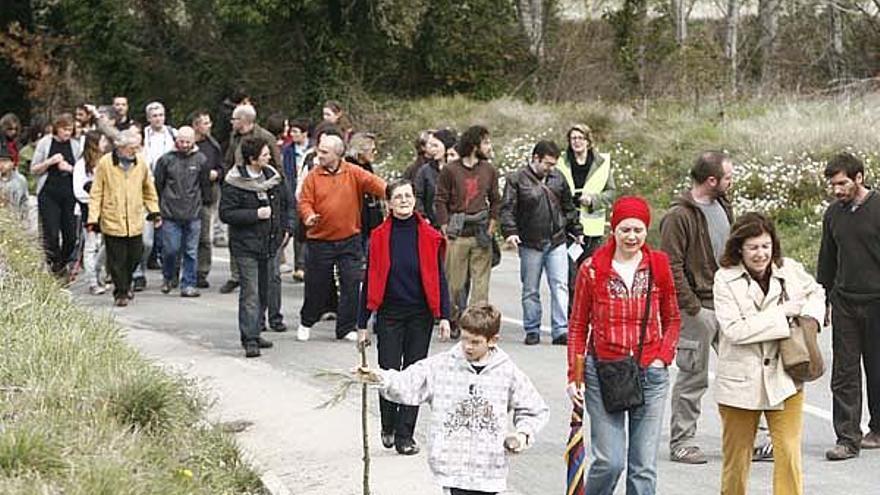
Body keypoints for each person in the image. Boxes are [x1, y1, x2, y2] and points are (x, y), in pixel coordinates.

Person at [354, 303, 549, 495]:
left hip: (489, 469)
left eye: (475, 342)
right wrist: (379, 378)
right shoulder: (441, 366)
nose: (468, 347)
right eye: (464, 339)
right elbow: (408, 382)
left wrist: (522, 435)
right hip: (452, 466)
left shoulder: (507, 372)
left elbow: (534, 408)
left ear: (492, 340)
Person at [567, 196, 681, 495]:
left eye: (638, 230)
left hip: (650, 374)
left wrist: (662, 358)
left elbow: (672, 319)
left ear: (646, 231)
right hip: (603, 371)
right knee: (610, 461)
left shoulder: (658, 265)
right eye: (625, 230)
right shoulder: (591, 270)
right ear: (613, 230)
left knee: (643, 467)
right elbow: (578, 326)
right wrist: (574, 376)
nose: (632, 237)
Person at [713, 212, 824, 494]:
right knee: (737, 461)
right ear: (739, 248)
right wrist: (783, 315)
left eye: (765, 246)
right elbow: (735, 330)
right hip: (740, 381)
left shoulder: (790, 269)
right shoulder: (724, 280)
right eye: (753, 247)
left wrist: (809, 320)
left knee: (788, 453)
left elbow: (817, 292)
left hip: (786, 375)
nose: (761, 254)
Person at [357, 179, 452, 456]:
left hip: (419, 315)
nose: (403, 200)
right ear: (389, 203)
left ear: (414, 200)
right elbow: (369, 279)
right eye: (398, 196)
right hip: (389, 314)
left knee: (415, 375)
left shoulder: (430, 236)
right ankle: (388, 422)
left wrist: (444, 316)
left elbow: (440, 279)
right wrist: (362, 324)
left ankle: (405, 435)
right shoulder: (378, 236)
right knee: (388, 371)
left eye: (408, 196)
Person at [661, 151, 735, 464]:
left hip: (728, 302)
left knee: (742, 370)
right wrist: (692, 308)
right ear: (711, 180)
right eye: (728, 176)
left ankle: (752, 440)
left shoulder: (723, 205)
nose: (732, 181)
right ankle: (682, 440)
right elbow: (670, 265)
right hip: (697, 308)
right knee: (693, 375)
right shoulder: (679, 216)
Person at [817, 152, 880, 460]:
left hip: (878, 301)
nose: (837, 190)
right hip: (845, 301)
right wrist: (824, 299)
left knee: (878, 369)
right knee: (844, 372)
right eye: (833, 184)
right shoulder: (833, 214)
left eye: (842, 183)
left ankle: (878, 428)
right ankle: (847, 439)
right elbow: (827, 260)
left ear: (859, 178)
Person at [296, 133, 386, 342]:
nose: (319, 155)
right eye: (319, 150)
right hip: (320, 240)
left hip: (349, 238)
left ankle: (345, 327)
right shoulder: (313, 177)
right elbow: (304, 201)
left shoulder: (353, 172)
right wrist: (308, 216)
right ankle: (307, 320)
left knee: (352, 282)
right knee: (316, 284)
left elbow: (377, 184)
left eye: (324, 152)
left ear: (338, 154)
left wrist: (398, 194)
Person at [501, 140, 582, 346]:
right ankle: (532, 329)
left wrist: (576, 230)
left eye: (553, 164)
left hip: (557, 240)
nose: (550, 168)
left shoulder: (558, 178)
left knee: (560, 286)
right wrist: (510, 231)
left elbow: (568, 207)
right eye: (547, 163)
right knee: (530, 288)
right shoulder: (517, 179)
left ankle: (560, 329)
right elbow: (508, 208)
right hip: (530, 241)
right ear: (535, 159)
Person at [219, 136, 292, 357]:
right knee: (250, 292)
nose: (269, 157)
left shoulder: (273, 177)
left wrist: (286, 227)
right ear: (252, 159)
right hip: (245, 246)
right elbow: (226, 213)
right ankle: (249, 338)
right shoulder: (234, 181)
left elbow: (286, 204)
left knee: (264, 290)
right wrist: (254, 215)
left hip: (270, 244)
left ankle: (257, 329)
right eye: (265, 154)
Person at [434, 125, 500, 338]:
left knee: (481, 287)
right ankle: (454, 320)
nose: (489, 147)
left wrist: (492, 225)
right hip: (458, 234)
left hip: (481, 233)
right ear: (474, 146)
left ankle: (477, 327)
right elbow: (440, 199)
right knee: (454, 285)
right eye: (486, 142)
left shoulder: (489, 170)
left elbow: (496, 200)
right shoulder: (450, 170)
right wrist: (445, 227)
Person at [86, 129, 160, 307]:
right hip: (112, 218)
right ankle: (121, 292)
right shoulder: (105, 163)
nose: (135, 151)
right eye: (132, 148)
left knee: (135, 255)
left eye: (137, 147)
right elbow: (96, 192)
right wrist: (93, 219)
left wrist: (155, 211)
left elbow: (148, 189)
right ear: (120, 147)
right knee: (116, 259)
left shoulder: (140, 163)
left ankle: (126, 284)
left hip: (134, 219)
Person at [219, 103, 281, 294]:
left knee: (256, 232)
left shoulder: (264, 137)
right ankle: (236, 274)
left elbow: (276, 164)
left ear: (244, 120)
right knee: (236, 233)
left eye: (235, 119)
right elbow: (229, 159)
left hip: (260, 187)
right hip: (238, 185)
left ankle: (254, 279)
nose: (232, 122)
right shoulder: (235, 136)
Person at [153, 126, 212, 297]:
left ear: (193, 141)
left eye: (188, 142)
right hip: (170, 213)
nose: (184, 145)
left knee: (191, 251)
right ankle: (168, 276)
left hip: (193, 213)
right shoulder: (165, 160)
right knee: (171, 249)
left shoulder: (201, 160)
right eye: (181, 141)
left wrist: (204, 207)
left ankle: (188, 284)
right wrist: (157, 210)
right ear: (176, 141)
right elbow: (158, 185)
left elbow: (205, 186)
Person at [30, 113, 82, 276]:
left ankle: (63, 261)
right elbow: (34, 169)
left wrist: (70, 169)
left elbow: (82, 171)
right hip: (49, 193)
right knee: (51, 234)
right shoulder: (45, 143)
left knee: (70, 236)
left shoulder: (75, 145)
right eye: (64, 129)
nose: (67, 133)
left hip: (69, 194)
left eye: (70, 129)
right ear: (57, 129)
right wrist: (49, 162)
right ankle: (55, 267)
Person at [556, 124, 615, 262]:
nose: (576, 141)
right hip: (566, 224)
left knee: (589, 269)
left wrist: (592, 200)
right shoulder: (561, 162)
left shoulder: (602, 163)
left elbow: (611, 193)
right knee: (569, 273)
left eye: (580, 138)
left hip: (592, 226)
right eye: (573, 138)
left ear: (588, 141)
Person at [134, 101, 177, 289]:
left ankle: (170, 275)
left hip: (169, 190)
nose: (158, 118)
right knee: (146, 241)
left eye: (161, 114)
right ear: (148, 118)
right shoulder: (141, 136)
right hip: (146, 189)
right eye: (154, 116)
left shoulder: (174, 135)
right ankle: (138, 272)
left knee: (170, 239)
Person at [73, 131, 110, 294]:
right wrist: (94, 199)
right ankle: (92, 281)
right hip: (88, 209)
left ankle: (96, 270)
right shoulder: (82, 164)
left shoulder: (106, 162)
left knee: (107, 243)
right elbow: (78, 190)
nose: (105, 144)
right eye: (102, 141)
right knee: (90, 246)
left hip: (107, 208)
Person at [191, 110, 224, 288]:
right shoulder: (186, 143)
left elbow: (222, 168)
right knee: (185, 237)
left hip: (206, 196)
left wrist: (216, 173)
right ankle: (180, 270)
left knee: (204, 237)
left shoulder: (213, 146)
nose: (209, 126)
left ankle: (202, 272)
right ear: (196, 125)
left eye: (209, 122)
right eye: (205, 123)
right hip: (185, 196)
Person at [346, 132, 385, 252]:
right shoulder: (348, 168)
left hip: (371, 222)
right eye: (372, 150)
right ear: (361, 150)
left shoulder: (368, 167)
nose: (375, 153)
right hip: (356, 223)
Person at [414, 128, 457, 228]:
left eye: (436, 146)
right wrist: (423, 217)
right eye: (431, 146)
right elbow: (417, 196)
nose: (432, 149)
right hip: (433, 227)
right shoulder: (425, 171)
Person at [0, 147, 29, 226]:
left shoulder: (20, 180)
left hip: (15, 220)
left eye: (4, 161)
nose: (1, 164)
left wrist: (24, 221)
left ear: (12, 163)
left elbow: (24, 201)